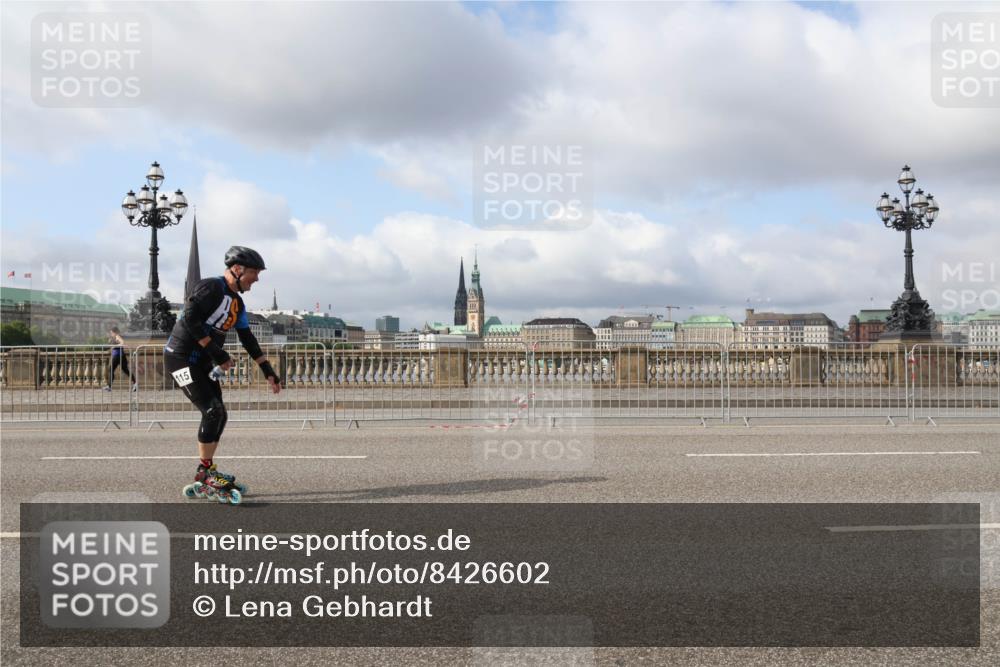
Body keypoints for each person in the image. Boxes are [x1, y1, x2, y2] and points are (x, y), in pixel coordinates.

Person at [163, 246, 282, 504]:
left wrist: (267, 369)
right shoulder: (211, 287)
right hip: (180, 358)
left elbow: (247, 338)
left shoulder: (238, 303)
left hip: (203, 362)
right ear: (237, 270)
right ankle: (205, 473)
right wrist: (217, 352)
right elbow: (191, 318)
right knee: (212, 411)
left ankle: (205, 470)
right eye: (254, 273)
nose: (257, 279)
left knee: (220, 413)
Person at [104, 326, 136, 391]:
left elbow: (122, 343)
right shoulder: (114, 338)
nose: (111, 334)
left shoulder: (117, 336)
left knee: (110, 369)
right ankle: (135, 384)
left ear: (114, 332)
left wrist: (114, 346)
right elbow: (112, 346)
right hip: (121, 355)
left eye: (111, 333)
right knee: (126, 370)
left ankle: (109, 386)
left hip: (117, 355)